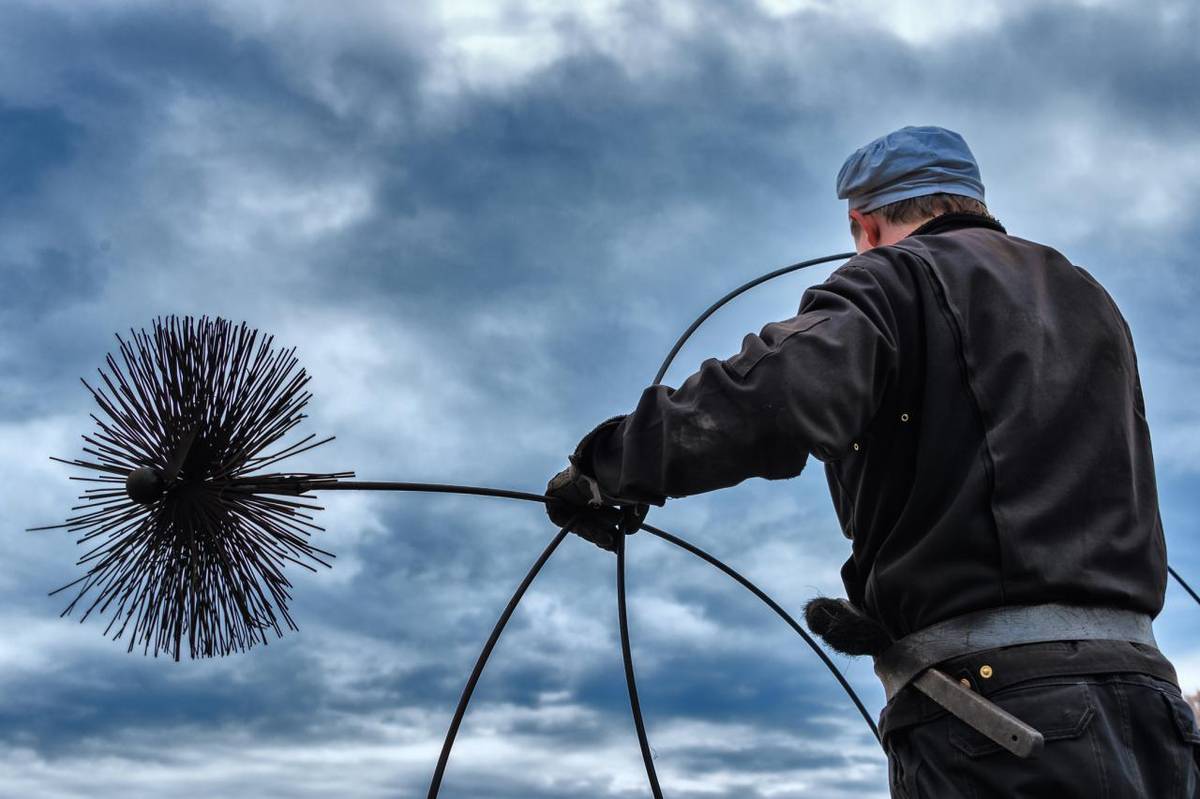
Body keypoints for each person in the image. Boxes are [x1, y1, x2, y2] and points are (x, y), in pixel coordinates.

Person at [545, 125, 1200, 796]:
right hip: (1154, 714)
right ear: (970, 199)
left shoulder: (895, 276)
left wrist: (605, 467)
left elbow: (776, 394)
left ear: (864, 224)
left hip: (1003, 720)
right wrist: (890, 620)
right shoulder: (1089, 298)